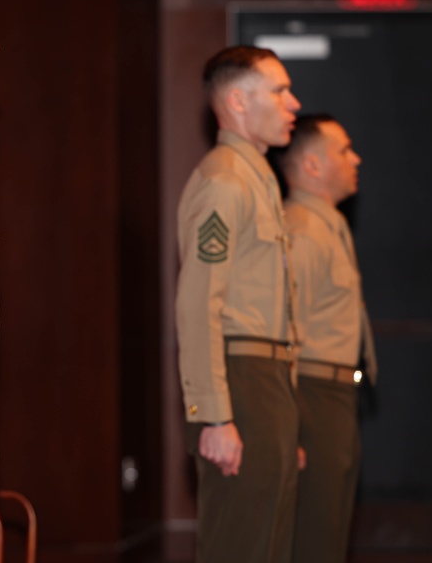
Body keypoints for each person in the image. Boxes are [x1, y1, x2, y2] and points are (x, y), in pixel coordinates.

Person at [175, 45, 302, 563]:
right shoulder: (225, 180)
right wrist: (214, 417)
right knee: (239, 545)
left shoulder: (257, 177)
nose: (293, 103)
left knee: (267, 545)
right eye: (279, 90)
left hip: (265, 380)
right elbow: (199, 302)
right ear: (237, 101)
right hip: (239, 379)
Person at [274, 115, 378, 563]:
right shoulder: (302, 230)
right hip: (312, 397)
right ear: (312, 165)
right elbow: (285, 332)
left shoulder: (327, 224)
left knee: (330, 534)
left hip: (335, 395)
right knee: (314, 539)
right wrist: (292, 423)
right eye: (343, 150)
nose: (355, 159)